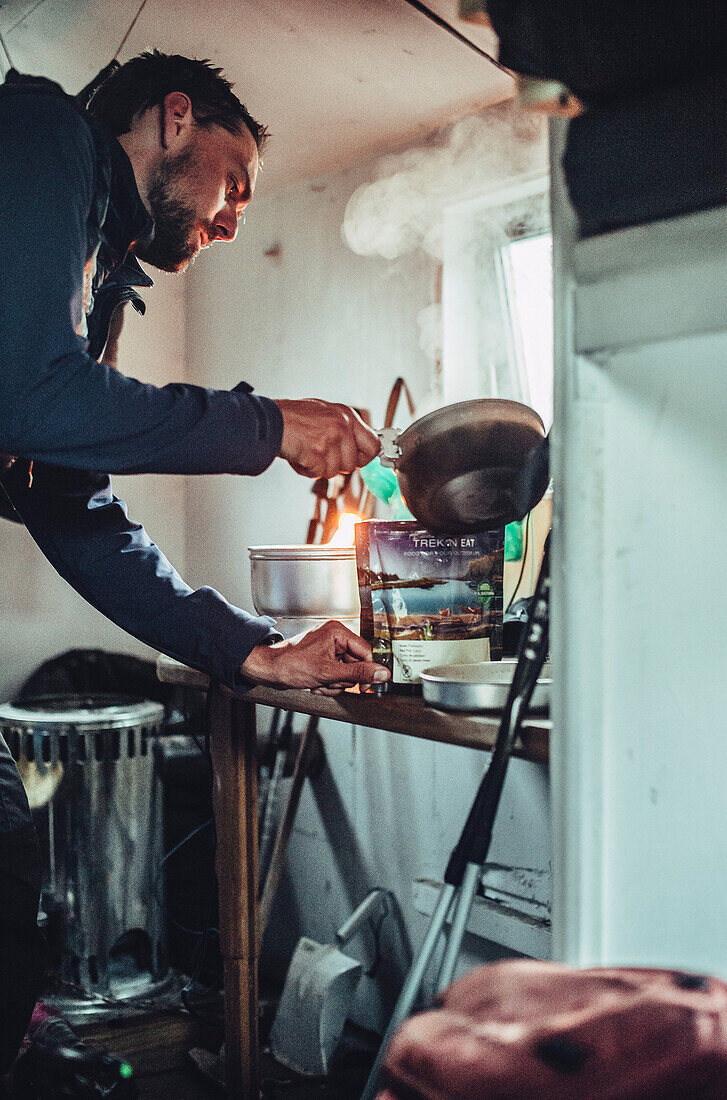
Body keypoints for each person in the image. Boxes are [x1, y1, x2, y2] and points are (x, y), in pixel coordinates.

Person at [0, 50, 389, 1077]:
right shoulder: (42, 133)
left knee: (14, 892)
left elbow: (67, 500)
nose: (232, 220)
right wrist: (267, 425)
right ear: (174, 119)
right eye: (236, 183)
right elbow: (33, 401)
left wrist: (248, 650)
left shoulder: (97, 270)